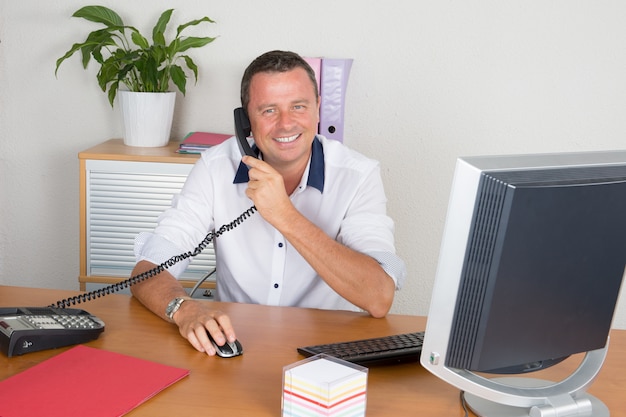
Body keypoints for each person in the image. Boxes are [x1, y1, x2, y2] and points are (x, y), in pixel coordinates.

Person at [130, 50, 406, 356]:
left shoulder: (358, 175)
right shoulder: (214, 167)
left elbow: (380, 296)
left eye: (298, 107)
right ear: (245, 120)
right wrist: (184, 310)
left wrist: (285, 216)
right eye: (269, 110)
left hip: (328, 352)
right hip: (237, 346)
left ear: (318, 110)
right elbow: (148, 269)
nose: (286, 124)